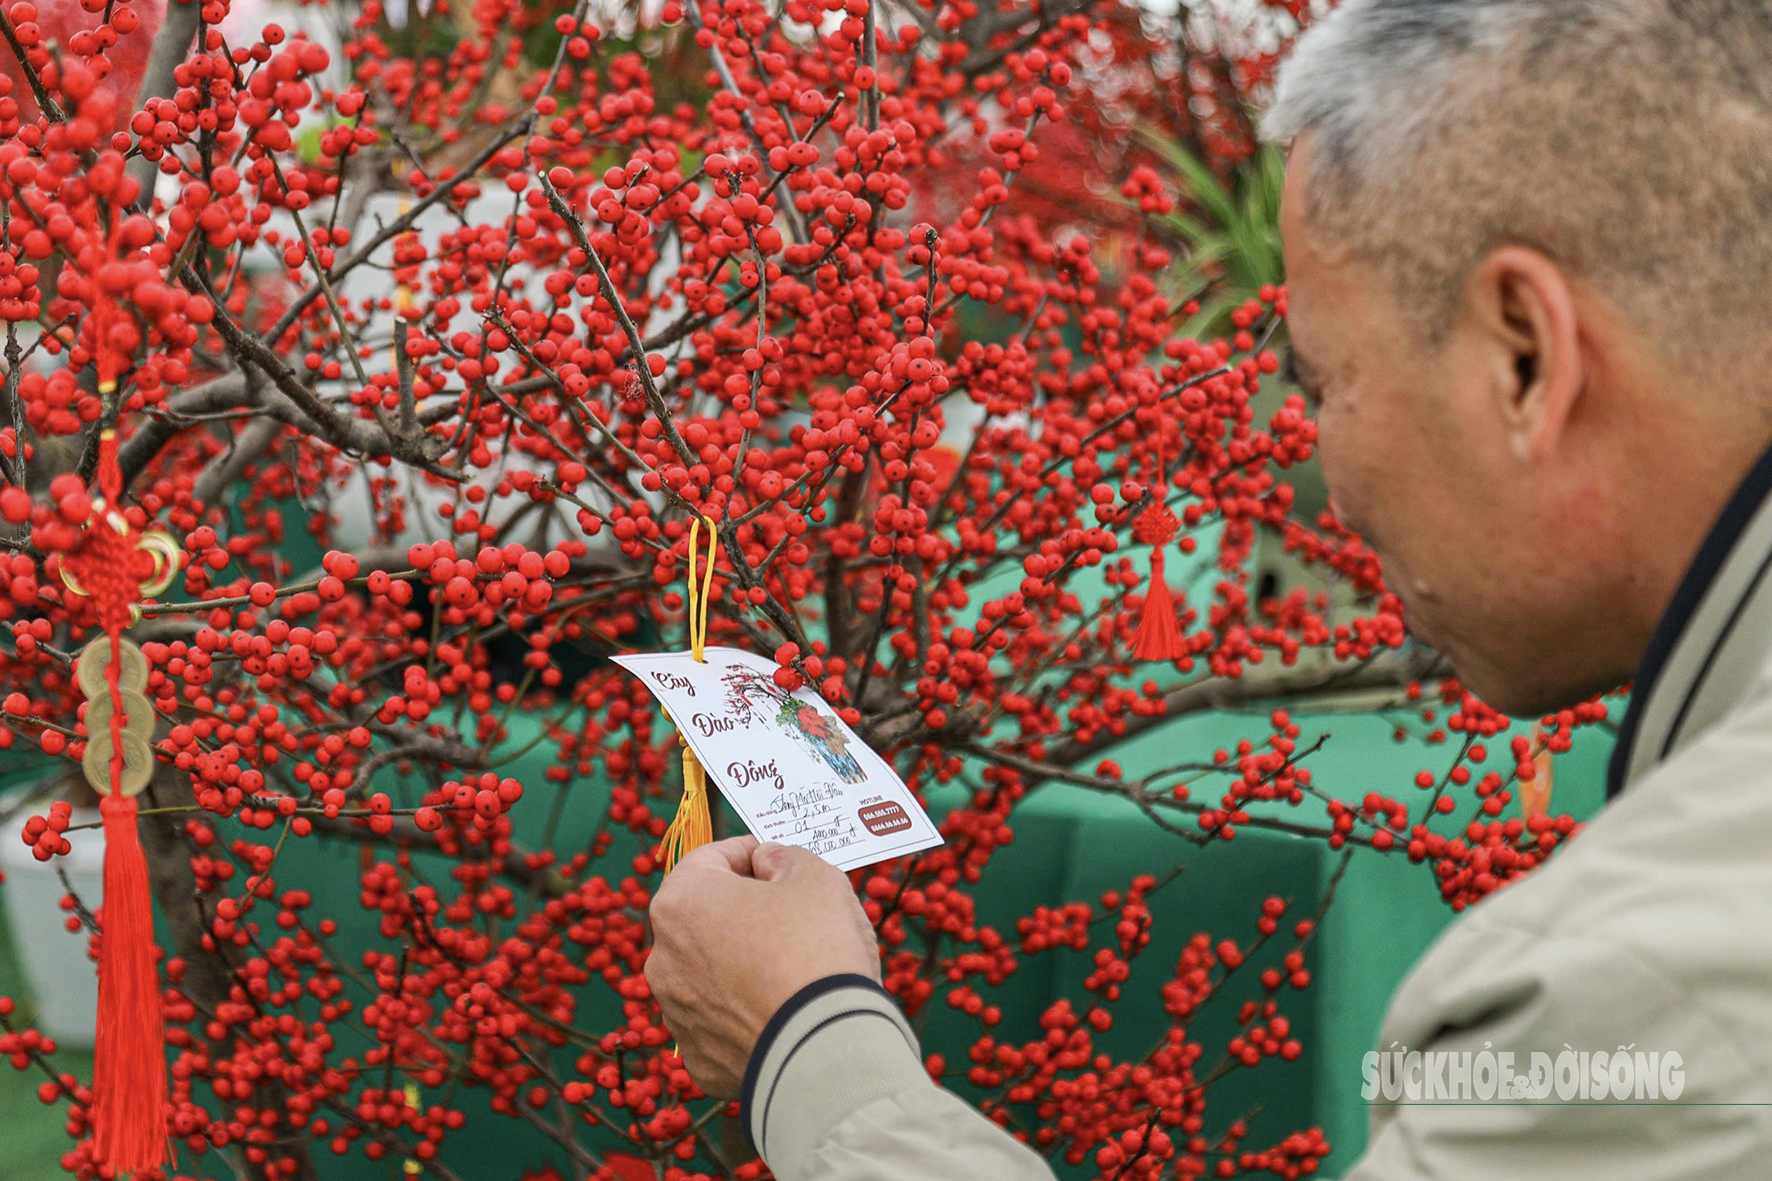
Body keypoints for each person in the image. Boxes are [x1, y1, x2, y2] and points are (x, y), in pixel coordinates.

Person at [643, 1, 1772, 1176]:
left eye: (1324, 383)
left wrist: (810, 1049)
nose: (1325, 492)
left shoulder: (1637, 990)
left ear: (1521, 355)